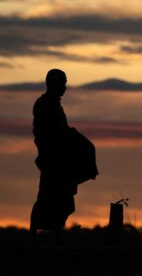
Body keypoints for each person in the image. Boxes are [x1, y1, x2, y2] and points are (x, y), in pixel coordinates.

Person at [30, 69, 97, 244]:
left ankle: (55, 237)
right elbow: (49, 133)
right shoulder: (45, 105)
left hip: (59, 159)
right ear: (54, 84)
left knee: (60, 199)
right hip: (53, 160)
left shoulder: (53, 104)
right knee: (48, 197)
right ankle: (35, 236)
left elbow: (61, 131)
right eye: (62, 83)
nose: (65, 88)